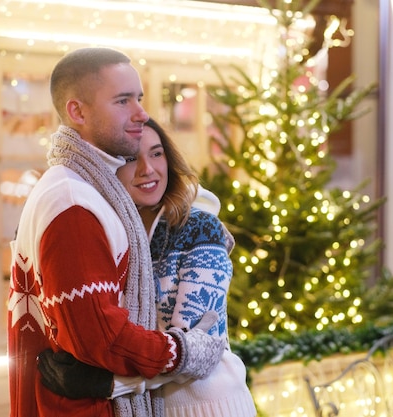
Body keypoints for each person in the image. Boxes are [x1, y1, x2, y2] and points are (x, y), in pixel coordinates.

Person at [7, 47, 225, 417]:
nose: (141, 113)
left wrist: (108, 381)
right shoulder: (74, 201)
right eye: (123, 101)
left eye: (138, 98)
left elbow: (203, 340)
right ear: (77, 111)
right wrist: (182, 352)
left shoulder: (83, 194)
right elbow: (104, 339)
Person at [37, 118, 257, 416]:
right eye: (131, 159)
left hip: (206, 404)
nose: (148, 169)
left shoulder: (200, 229)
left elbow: (197, 350)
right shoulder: (113, 233)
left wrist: (108, 383)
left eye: (156, 153)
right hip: (151, 407)